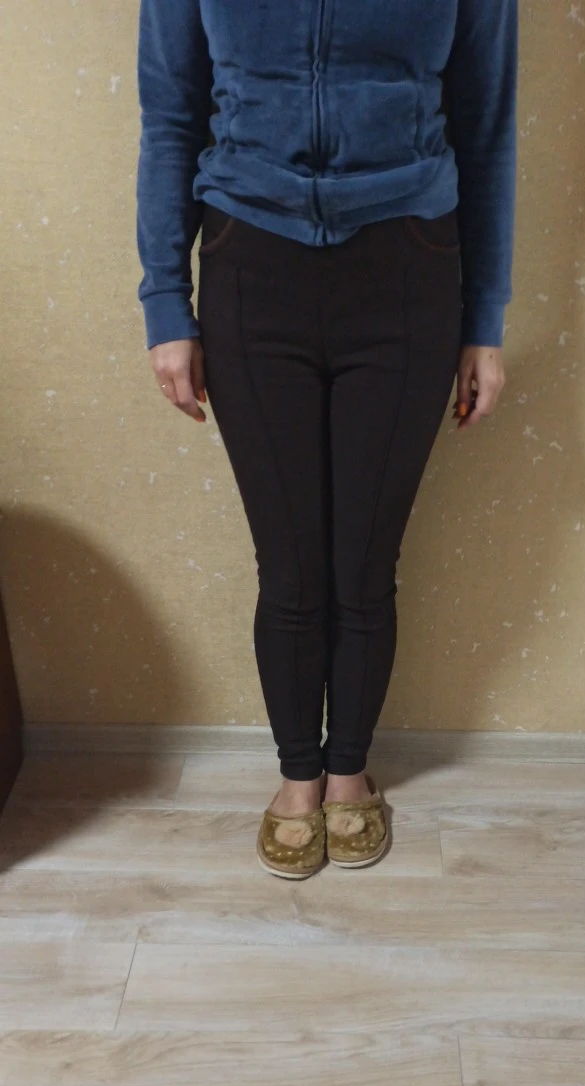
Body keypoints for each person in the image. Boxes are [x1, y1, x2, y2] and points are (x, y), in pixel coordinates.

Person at [135, 0, 518, 879]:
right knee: (291, 565)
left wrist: (483, 321)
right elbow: (171, 116)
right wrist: (165, 303)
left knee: (365, 564)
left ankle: (349, 771)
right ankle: (297, 776)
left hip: (409, 271)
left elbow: (486, 129)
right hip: (249, 265)